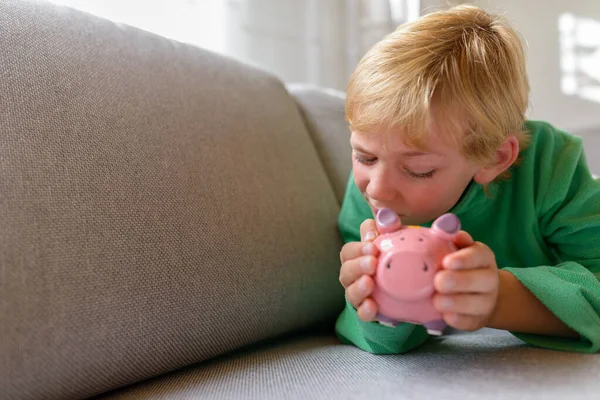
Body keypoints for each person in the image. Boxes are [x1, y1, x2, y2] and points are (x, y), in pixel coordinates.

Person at [335, 4, 600, 354]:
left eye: (419, 169)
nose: (378, 189)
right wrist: (376, 299)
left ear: (495, 158)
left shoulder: (551, 164)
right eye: (364, 156)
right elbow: (365, 326)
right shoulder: (367, 193)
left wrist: (499, 298)